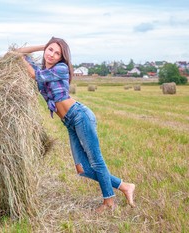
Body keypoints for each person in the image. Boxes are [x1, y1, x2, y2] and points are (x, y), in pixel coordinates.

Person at [12, 37, 135, 213]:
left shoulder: (60, 69)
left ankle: (109, 202)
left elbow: (33, 75)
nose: (52, 55)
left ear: (62, 57)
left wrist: (39, 52)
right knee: (82, 169)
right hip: (69, 122)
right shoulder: (42, 67)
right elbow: (17, 52)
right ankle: (125, 186)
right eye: (50, 50)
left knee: (96, 161)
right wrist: (42, 46)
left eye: (57, 53)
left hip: (79, 116)